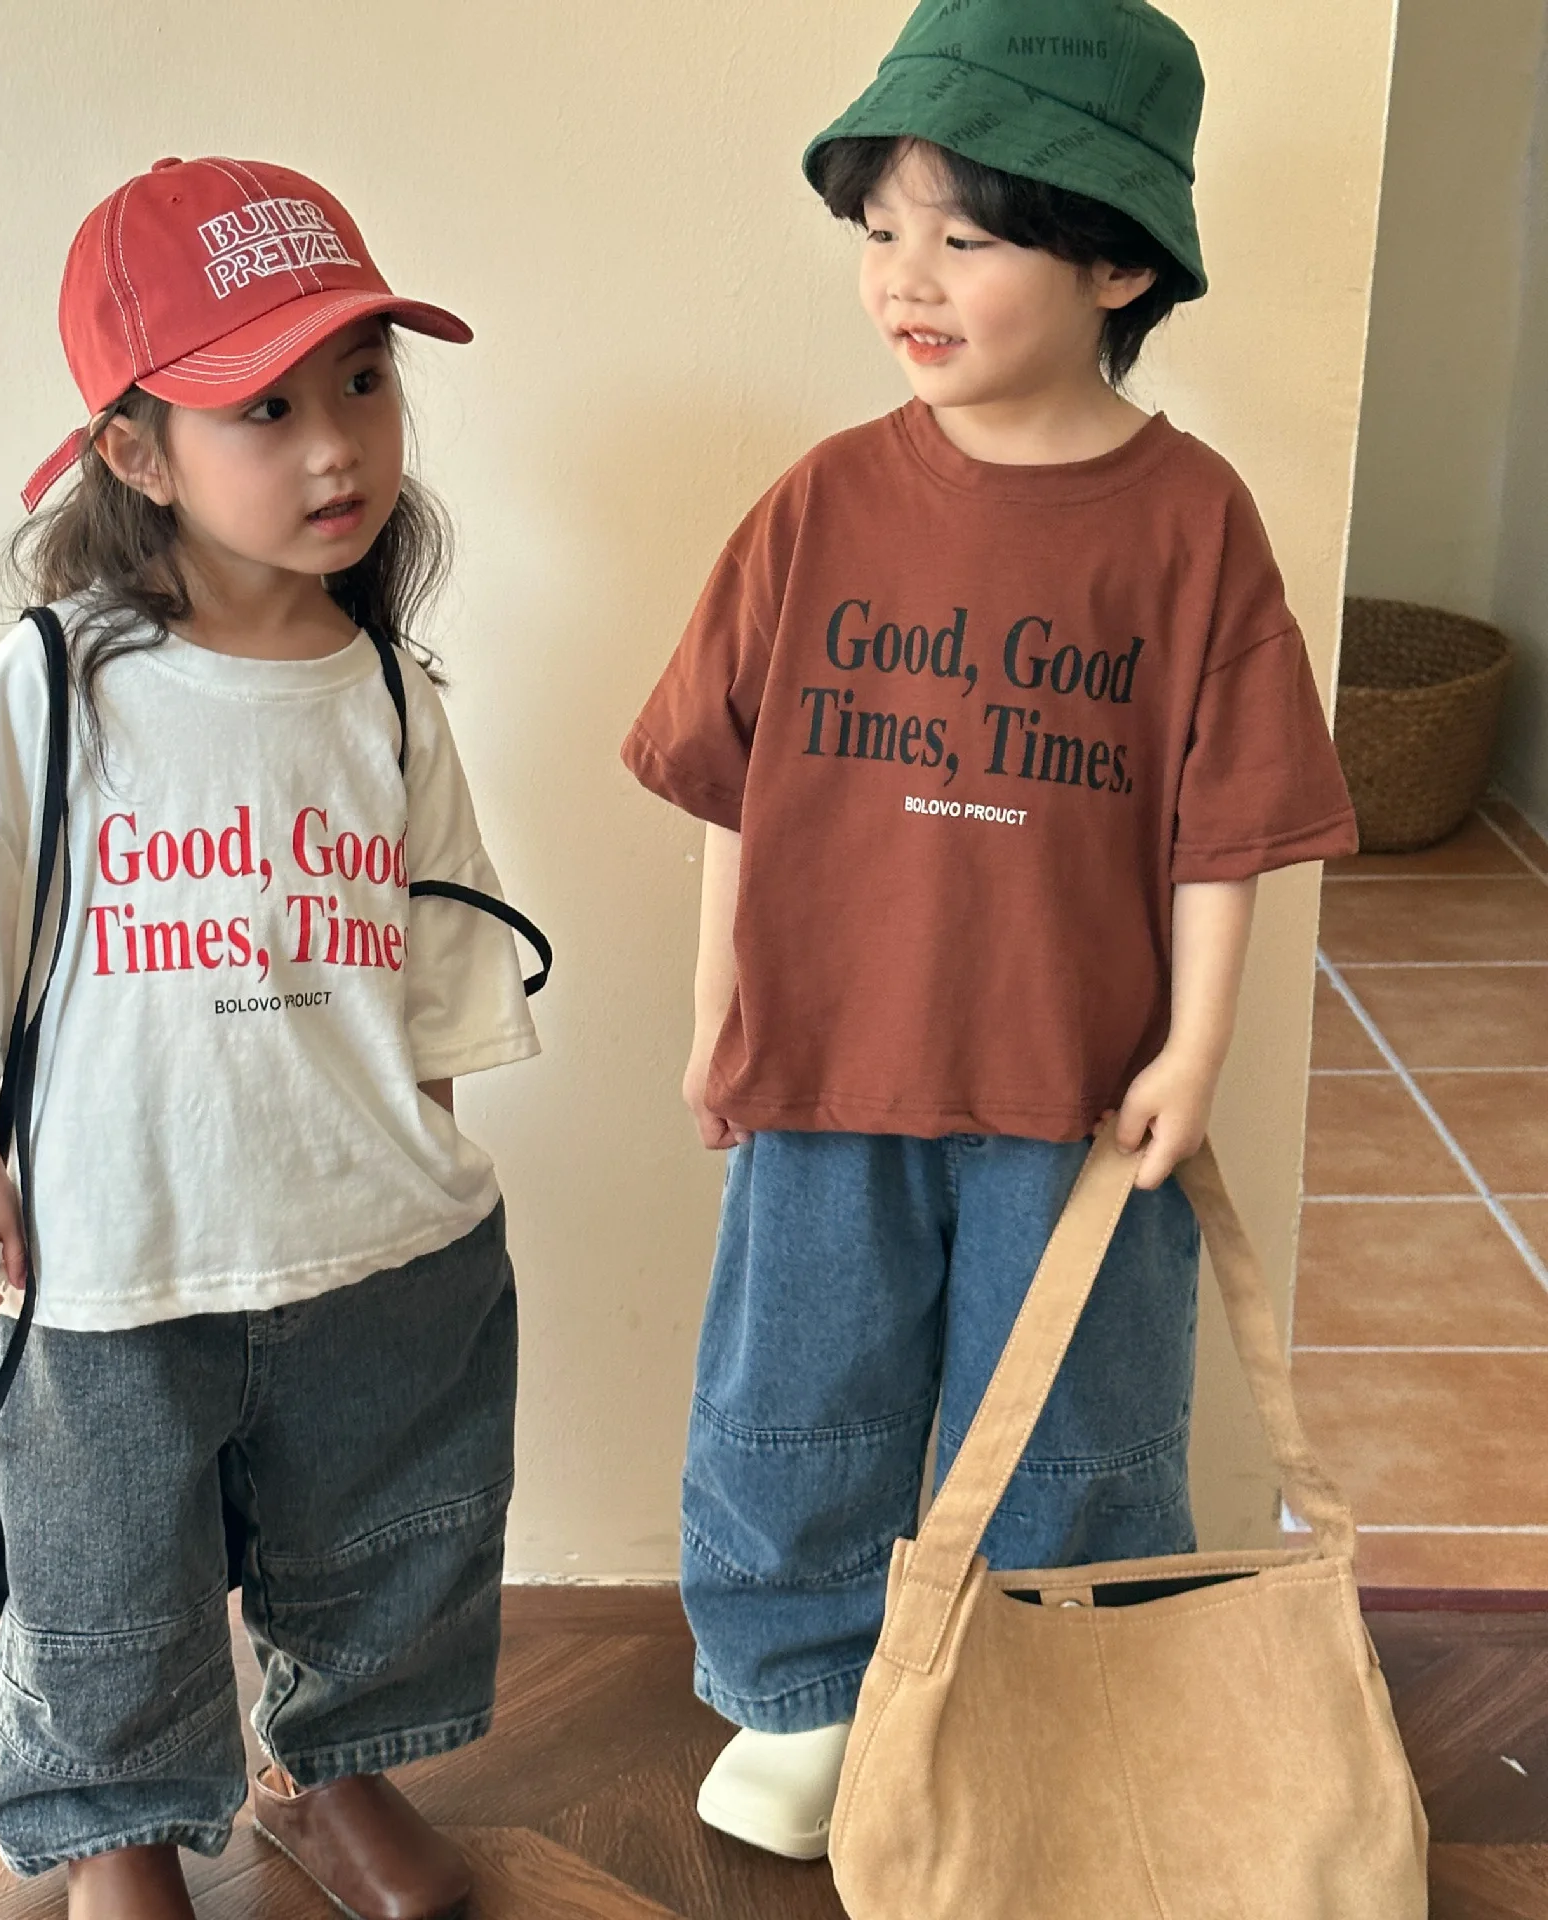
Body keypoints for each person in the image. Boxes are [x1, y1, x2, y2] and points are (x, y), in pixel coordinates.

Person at [621, 0, 1358, 1863]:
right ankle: (805, 1698)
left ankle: (1038, 1701)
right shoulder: (822, 505)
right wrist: (722, 1004)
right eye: (882, 230)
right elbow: (733, 781)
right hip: (830, 1068)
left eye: (968, 234)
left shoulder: (1192, 526)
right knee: (798, 1395)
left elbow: (1226, 827)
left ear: (1114, 258)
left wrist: (1193, 1050)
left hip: (1078, 1094)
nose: (907, 279)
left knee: (1068, 1427)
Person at [0, 157, 538, 1920]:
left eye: (363, 381)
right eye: (263, 407)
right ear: (135, 453)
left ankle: (333, 1766)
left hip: (372, 1241)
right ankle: (116, 1834)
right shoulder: (65, 683)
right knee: (107, 1571)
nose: (336, 446)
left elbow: (432, 947)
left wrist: (421, 1140)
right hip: (118, 1254)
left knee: (379, 1535)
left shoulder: (383, 690)